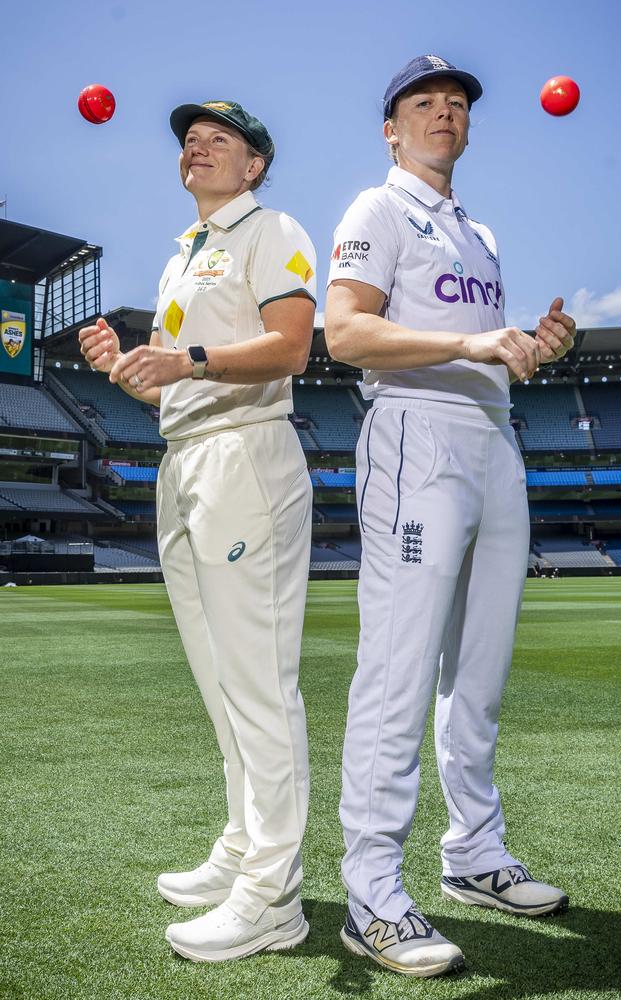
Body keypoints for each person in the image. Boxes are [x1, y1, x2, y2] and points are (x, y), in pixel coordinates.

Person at [325, 55, 576, 979]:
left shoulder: (480, 233)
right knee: (396, 672)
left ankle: (474, 853)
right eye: (424, 103)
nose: (445, 113)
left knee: (480, 673)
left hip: (492, 440)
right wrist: (472, 340)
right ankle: (372, 895)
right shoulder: (375, 209)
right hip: (415, 439)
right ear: (391, 129)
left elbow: (482, 350)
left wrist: (529, 348)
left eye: (458, 104)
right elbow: (345, 332)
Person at [79, 98, 317, 963]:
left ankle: (273, 898)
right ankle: (244, 847)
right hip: (185, 456)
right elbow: (174, 387)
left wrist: (189, 360)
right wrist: (125, 368)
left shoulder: (272, 229)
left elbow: (291, 347)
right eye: (189, 140)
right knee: (220, 680)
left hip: (246, 459)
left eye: (219, 141)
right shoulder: (187, 253)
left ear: (254, 165)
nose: (197, 149)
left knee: (258, 683)